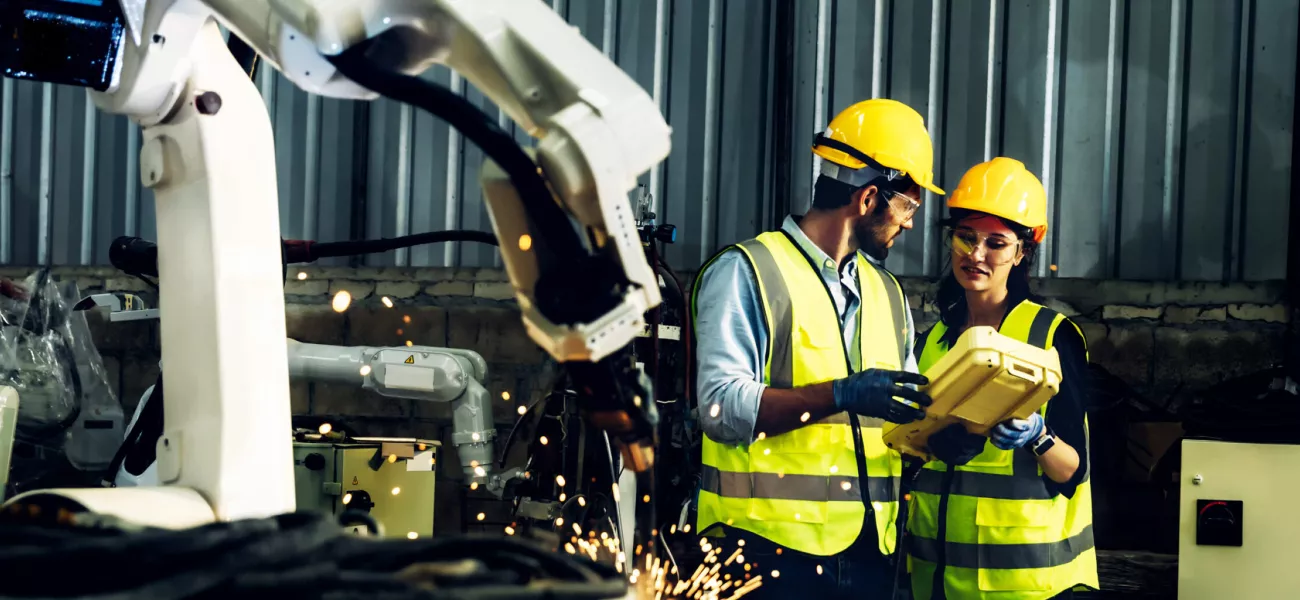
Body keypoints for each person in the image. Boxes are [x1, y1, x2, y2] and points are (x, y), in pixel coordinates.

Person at [690, 98, 944, 598]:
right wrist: (840, 395)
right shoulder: (749, 272)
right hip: (764, 553)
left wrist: (938, 440)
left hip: (872, 552)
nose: (911, 223)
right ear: (868, 199)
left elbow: (901, 413)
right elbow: (719, 408)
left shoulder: (888, 293)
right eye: (908, 206)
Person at [906, 157, 1098, 600]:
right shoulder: (933, 340)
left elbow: (1073, 470)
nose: (975, 255)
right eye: (965, 237)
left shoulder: (1050, 335)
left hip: (1027, 585)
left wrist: (1038, 436)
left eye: (995, 242)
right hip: (935, 579)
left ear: (1022, 252)